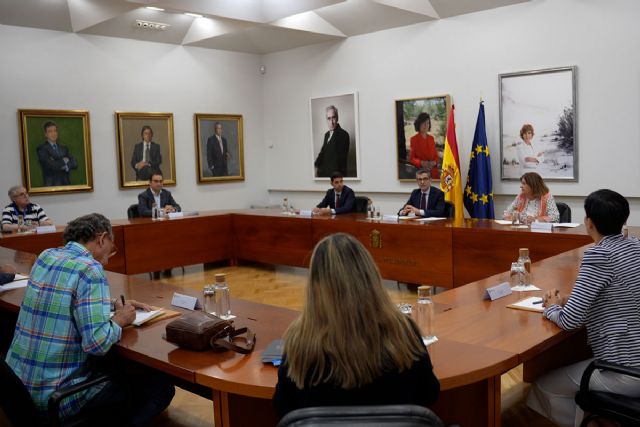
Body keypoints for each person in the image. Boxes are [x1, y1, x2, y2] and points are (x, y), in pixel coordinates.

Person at [5, 213, 175, 425]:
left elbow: (62, 295)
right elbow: (97, 344)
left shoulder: (46, 256)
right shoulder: (90, 268)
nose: (107, 257)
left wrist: (110, 303)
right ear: (102, 238)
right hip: (56, 397)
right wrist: (121, 319)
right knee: (159, 387)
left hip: (19, 390)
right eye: (111, 249)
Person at [273, 233, 440, 418]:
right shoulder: (403, 330)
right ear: (370, 275)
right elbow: (429, 394)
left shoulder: (300, 341)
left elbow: (283, 408)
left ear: (314, 286)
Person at [527, 189, 640, 427]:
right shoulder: (635, 247)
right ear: (624, 220)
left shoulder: (598, 255)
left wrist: (552, 307)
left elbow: (569, 321)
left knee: (542, 387)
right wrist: (570, 298)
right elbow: (618, 293)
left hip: (625, 370)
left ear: (589, 222)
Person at [36, 121, 78, 186]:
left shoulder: (64, 148)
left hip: (67, 185)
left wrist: (65, 166)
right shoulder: (42, 149)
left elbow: (74, 163)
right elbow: (50, 165)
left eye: (55, 131)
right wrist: (64, 160)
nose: (53, 134)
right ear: (45, 134)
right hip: (52, 186)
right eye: (50, 131)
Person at [314, 105, 350, 177]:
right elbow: (322, 153)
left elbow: (338, 163)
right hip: (323, 175)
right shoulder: (326, 135)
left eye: (333, 117)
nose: (332, 122)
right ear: (326, 120)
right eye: (329, 118)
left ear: (337, 118)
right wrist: (316, 167)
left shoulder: (343, 134)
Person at [409, 112, 439, 179]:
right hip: (421, 174)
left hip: (434, 174)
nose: (426, 125)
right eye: (423, 123)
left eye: (428, 123)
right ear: (418, 124)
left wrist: (434, 162)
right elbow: (411, 159)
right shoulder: (413, 139)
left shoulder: (431, 138)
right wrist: (421, 163)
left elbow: (436, 157)